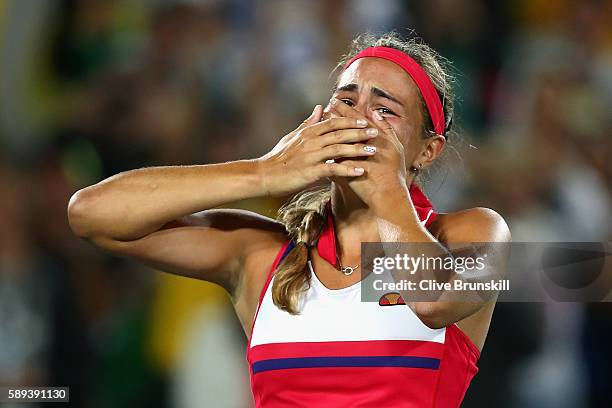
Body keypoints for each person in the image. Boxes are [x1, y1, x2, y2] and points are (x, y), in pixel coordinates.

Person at [68, 32, 511, 407]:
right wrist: (264, 172)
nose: (357, 118)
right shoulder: (265, 255)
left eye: (385, 110)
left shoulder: (473, 233)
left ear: (427, 150)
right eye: (346, 99)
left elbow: (431, 302)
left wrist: (387, 189)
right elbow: (92, 215)